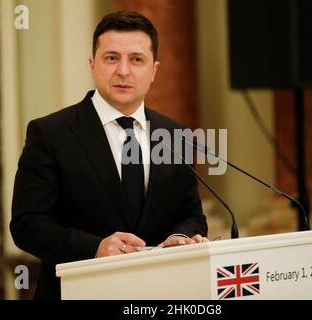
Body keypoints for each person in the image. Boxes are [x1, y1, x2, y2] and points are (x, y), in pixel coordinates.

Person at [10, 10, 208, 300]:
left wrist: (179, 237)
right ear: (93, 65)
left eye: (136, 59)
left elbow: (191, 215)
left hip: (157, 295)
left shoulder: (175, 134)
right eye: (112, 57)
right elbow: (27, 225)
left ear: (154, 70)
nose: (123, 71)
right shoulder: (50, 133)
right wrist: (94, 247)